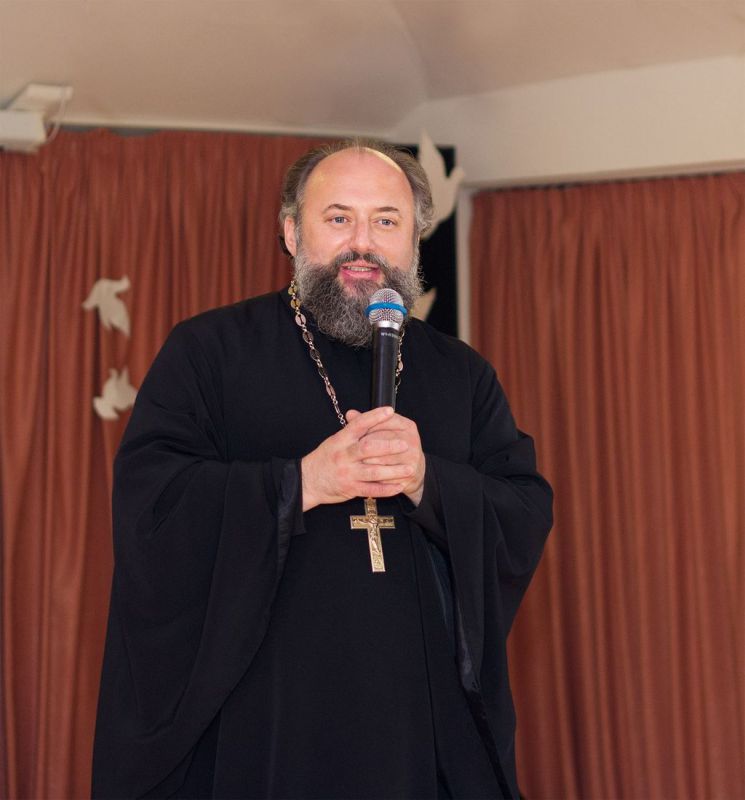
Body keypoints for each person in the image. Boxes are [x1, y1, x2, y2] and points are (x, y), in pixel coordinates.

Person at [92, 138, 553, 800]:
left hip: (414, 721)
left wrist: (426, 480)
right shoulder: (209, 352)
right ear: (291, 232)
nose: (362, 244)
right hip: (263, 714)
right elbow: (151, 506)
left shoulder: (461, 374)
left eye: (386, 221)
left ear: (414, 239)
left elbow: (524, 510)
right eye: (338, 217)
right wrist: (302, 483)